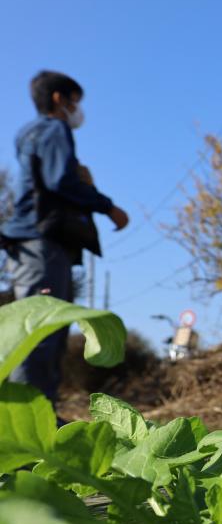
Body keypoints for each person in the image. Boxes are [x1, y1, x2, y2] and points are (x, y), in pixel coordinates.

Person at [1, 70, 129, 407]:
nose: (77, 110)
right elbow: (60, 182)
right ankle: (28, 422)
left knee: (43, 328)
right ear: (59, 98)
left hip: (32, 242)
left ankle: (40, 413)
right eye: (75, 101)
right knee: (40, 330)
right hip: (41, 243)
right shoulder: (54, 129)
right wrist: (106, 205)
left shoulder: (28, 133)